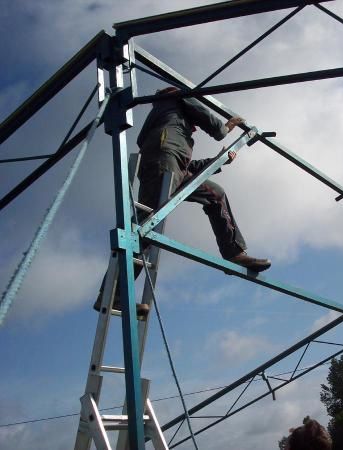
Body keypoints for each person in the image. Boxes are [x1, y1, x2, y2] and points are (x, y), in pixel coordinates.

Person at [94, 86, 270, 317]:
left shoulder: (168, 127)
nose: (194, 129)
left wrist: (218, 161)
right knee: (145, 227)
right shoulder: (176, 99)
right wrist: (227, 126)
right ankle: (112, 293)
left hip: (168, 164)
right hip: (163, 164)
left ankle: (233, 252)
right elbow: (213, 127)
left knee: (214, 194)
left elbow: (184, 167)